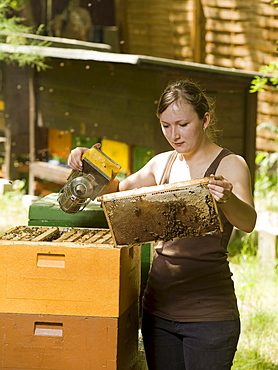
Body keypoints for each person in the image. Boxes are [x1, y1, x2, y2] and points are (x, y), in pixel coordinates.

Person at [68, 79, 257, 370]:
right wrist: (89, 161)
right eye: (166, 126)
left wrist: (227, 197)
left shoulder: (230, 164)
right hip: (157, 312)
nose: (174, 135)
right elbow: (117, 192)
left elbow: (248, 222)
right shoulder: (162, 164)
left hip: (209, 317)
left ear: (205, 119)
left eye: (182, 124)